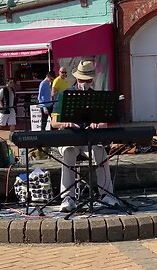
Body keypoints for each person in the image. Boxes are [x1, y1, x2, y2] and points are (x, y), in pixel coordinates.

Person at [51, 60, 117, 212]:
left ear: (92, 80)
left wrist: (97, 124)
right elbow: (54, 122)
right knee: (68, 152)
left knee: (101, 152)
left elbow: (105, 123)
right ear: (76, 78)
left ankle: (106, 195)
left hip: (89, 140)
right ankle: (68, 197)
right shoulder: (64, 95)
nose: (84, 83)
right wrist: (64, 124)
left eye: (87, 80)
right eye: (81, 80)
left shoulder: (97, 97)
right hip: (70, 139)